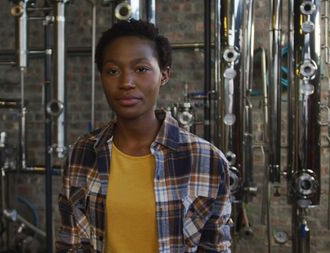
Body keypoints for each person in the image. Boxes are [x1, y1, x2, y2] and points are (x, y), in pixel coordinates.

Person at [56, 19, 231, 253]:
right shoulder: (81, 154)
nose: (126, 82)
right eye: (112, 71)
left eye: (141, 69)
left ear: (164, 75)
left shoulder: (206, 160)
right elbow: (71, 244)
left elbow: (214, 247)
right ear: (101, 77)